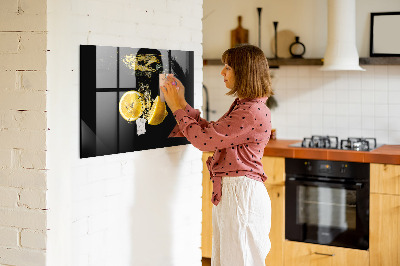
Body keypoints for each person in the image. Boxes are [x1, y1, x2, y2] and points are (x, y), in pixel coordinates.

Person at [161, 44, 273, 266]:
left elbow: (204, 141)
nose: (222, 72)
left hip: (241, 195)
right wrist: (182, 103)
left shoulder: (250, 111)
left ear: (244, 71)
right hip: (236, 193)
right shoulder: (246, 106)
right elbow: (212, 133)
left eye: (228, 67)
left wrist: (176, 107)